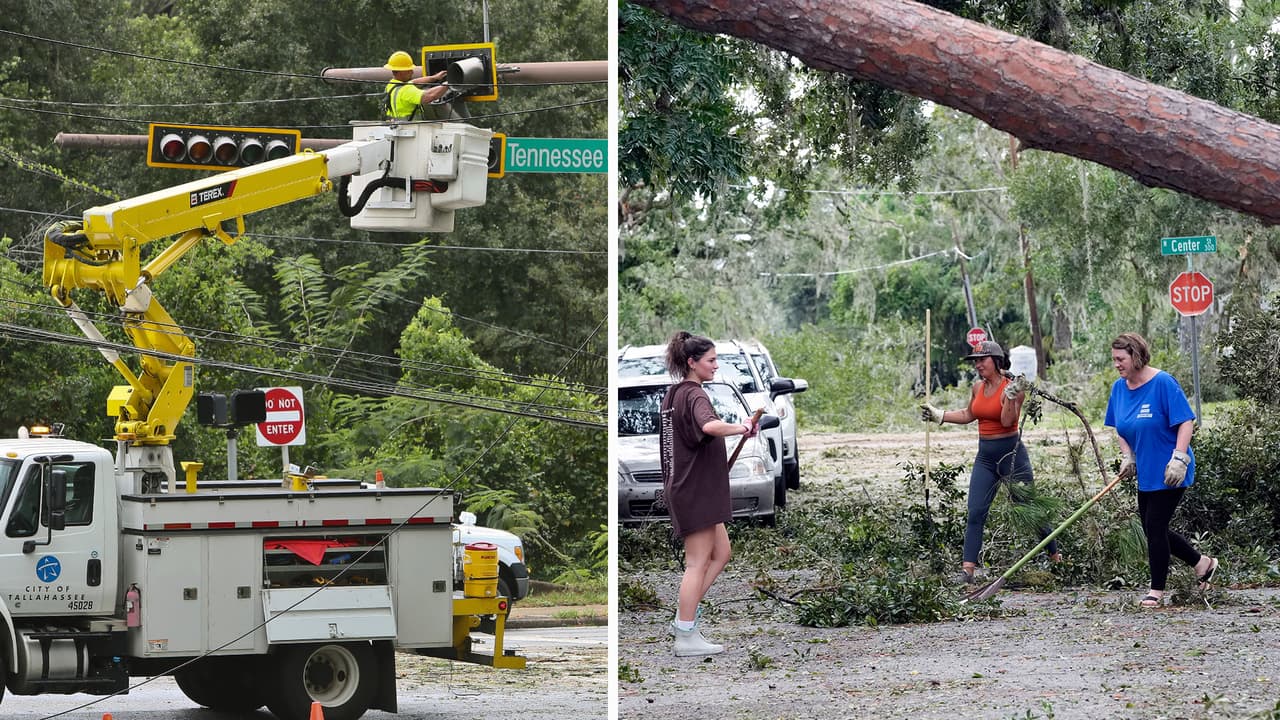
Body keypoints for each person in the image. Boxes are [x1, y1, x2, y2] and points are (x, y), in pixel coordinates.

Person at [920, 340, 1058, 583]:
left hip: (1011, 457)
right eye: (975, 361)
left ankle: (1056, 557)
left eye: (982, 360)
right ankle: (967, 570)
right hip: (985, 457)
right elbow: (969, 414)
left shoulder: (1013, 386)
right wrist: (939, 415)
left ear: (996, 361)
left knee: (1030, 509)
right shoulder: (977, 387)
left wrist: (1011, 398)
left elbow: (1007, 421)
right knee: (975, 511)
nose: (978, 365)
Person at [660, 331, 757, 657]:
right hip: (694, 490)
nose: (716, 366)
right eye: (711, 360)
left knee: (721, 553)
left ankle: (683, 620)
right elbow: (709, 427)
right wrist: (741, 427)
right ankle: (686, 633)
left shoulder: (674, 395)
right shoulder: (695, 396)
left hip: (690, 486)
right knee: (697, 562)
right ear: (692, 362)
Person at [1104, 332, 1218, 607]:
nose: (1117, 364)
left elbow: (1186, 421)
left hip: (1171, 470)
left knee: (1154, 527)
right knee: (1152, 528)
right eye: (1114, 360)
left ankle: (1156, 591)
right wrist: (1127, 457)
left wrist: (1180, 457)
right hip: (1146, 472)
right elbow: (1121, 428)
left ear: (1136, 355)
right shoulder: (1119, 389)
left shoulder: (1163, 383)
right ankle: (1203, 563)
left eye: (1121, 359)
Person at [383, 50, 449, 120]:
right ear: (400, 73)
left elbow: (413, 82)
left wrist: (434, 77)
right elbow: (430, 96)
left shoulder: (391, 85)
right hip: (412, 127)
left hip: (396, 125)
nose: (412, 72)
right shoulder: (406, 90)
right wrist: (448, 84)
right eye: (409, 70)